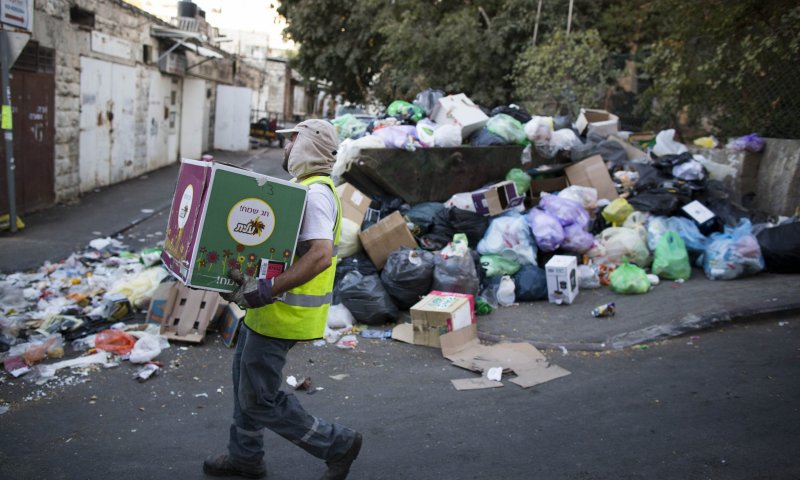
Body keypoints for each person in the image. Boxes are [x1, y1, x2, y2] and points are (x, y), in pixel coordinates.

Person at [203, 119, 362, 480]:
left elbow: (320, 255)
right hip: (266, 311)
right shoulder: (303, 188)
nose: (286, 147)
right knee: (245, 385)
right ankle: (245, 457)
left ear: (307, 145)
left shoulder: (316, 194)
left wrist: (266, 289)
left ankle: (337, 444)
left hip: (282, 315)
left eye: (291, 140)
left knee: (259, 398)